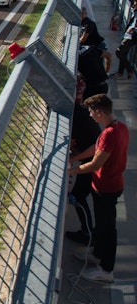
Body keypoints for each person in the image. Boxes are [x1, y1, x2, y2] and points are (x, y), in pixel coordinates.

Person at [68, 93, 128, 283]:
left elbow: (94, 164)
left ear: (100, 112)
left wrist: (70, 171)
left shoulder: (109, 134)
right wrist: (74, 159)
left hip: (107, 188)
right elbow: (97, 149)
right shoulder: (119, 128)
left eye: (92, 112)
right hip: (109, 185)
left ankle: (106, 269)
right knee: (103, 226)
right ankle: (98, 253)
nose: (91, 116)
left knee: (108, 229)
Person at [66, 103, 101, 244]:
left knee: (78, 196)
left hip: (92, 162)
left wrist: (74, 158)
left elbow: (91, 147)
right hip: (92, 160)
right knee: (83, 194)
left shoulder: (76, 118)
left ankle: (87, 233)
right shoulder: (79, 112)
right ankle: (91, 231)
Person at [80, 7, 111, 72]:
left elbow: (83, 39)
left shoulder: (89, 23)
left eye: (82, 14)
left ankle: (106, 73)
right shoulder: (80, 22)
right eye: (80, 14)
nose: (81, 15)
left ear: (86, 14)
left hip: (98, 45)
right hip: (90, 47)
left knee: (101, 62)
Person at [112, 0, 137, 79]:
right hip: (128, 35)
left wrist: (133, 29)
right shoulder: (135, 12)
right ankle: (120, 72)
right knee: (123, 53)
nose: (133, 5)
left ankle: (129, 70)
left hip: (131, 37)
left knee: (119, 52)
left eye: (135, 4)